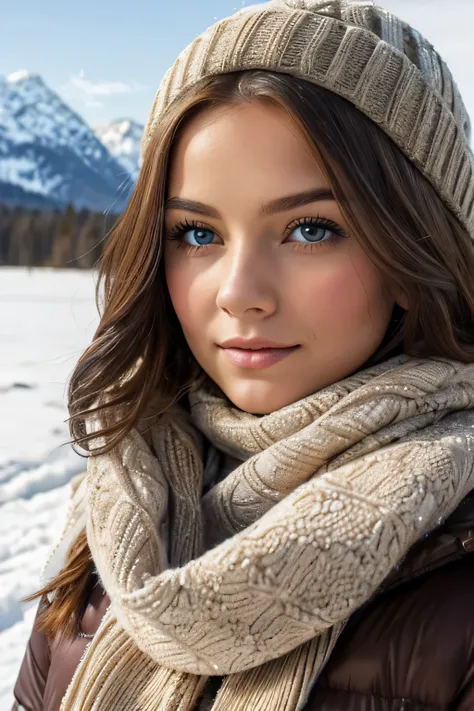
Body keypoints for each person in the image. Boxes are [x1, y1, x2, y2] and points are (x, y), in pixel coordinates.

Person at [11, 1, 474, 709]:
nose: (239, 293)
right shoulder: (121, 508)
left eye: (311, 228)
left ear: (414, 252)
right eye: (197, 234)